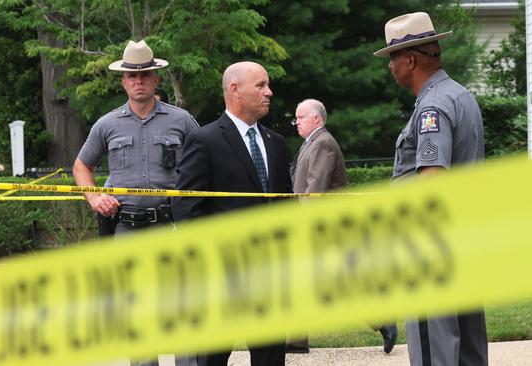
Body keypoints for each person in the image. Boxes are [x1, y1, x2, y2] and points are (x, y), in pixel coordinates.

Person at [72, 39, 199, 366]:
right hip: (127, 230)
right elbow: (81, 165)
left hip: (173, 230)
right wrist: (94, 196)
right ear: (123, 81)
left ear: (156, 79)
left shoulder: (182, 121)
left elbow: (203, 164)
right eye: (132, 75)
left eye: (145, 74)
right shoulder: (107, 124)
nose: (139, 80)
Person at [374, 12, 488, 366]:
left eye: (393, 58)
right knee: (468, 348)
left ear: (410, 59)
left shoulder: (432, 108)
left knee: (433, 349)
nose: (390, 66)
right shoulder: (460, 96)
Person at [172, 61, 291, 366]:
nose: (269, 92)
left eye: (268, 85)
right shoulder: (205, 140)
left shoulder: (276, 143)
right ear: (235, 90)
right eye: (261, 85)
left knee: (271, 356)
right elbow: (187, 209)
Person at [287, 99, 398, 355]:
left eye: (301, 117)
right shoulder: (313, 142)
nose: (297, 122)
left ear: (317, 119)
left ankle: (383, 320)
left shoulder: (323, 142)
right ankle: (296, 339)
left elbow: (315, 188)